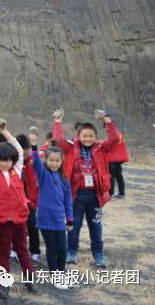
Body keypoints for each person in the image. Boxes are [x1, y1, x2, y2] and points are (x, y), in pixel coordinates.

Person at [52, 108, 119, 268]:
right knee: (74, 225)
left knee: (95, 225)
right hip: (76, 195)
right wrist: (57, 122)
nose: (88, 139)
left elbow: (115, 138)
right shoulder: (71, 147)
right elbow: (58, 140)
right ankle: (72, 252)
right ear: (79, 136)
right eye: (84, 136)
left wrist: (107, 120)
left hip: (95, 195)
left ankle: (98, 254)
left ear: (95, 137)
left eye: (91, 136)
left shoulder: (101, 148)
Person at [0, 115, 36, 299]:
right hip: (1, 221)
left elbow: (18, 149)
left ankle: (29, 280)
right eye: (0, 160)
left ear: (12, 161)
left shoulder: (17, 170)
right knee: (3, 252)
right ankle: (4, 285)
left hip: (19, 219)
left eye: (7, 160)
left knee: (23, 250)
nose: (4, 163)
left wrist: (4, 130)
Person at [29, 143, 73, 290]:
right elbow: (36, 164)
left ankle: (61, 273)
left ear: (62, 162)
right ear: (46, 160)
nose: (54, 163)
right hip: (45, 219)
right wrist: (34, 148)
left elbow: (68, 201)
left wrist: (70, 219)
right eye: (51, 160)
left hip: (59, 219)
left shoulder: (64, 179)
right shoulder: (43, 175)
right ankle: (55, 276)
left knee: (62, 248)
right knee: (51, 247)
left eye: (57, 161)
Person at [16, 134, 40, 266]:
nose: (25, 154)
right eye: (23, 151)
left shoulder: (33, 160)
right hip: (17, 200)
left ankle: (35, 251)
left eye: (27, 150)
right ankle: (16, 249)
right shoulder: (12, 161)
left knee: (32, 224)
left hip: (31, 200)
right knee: (17, 226)